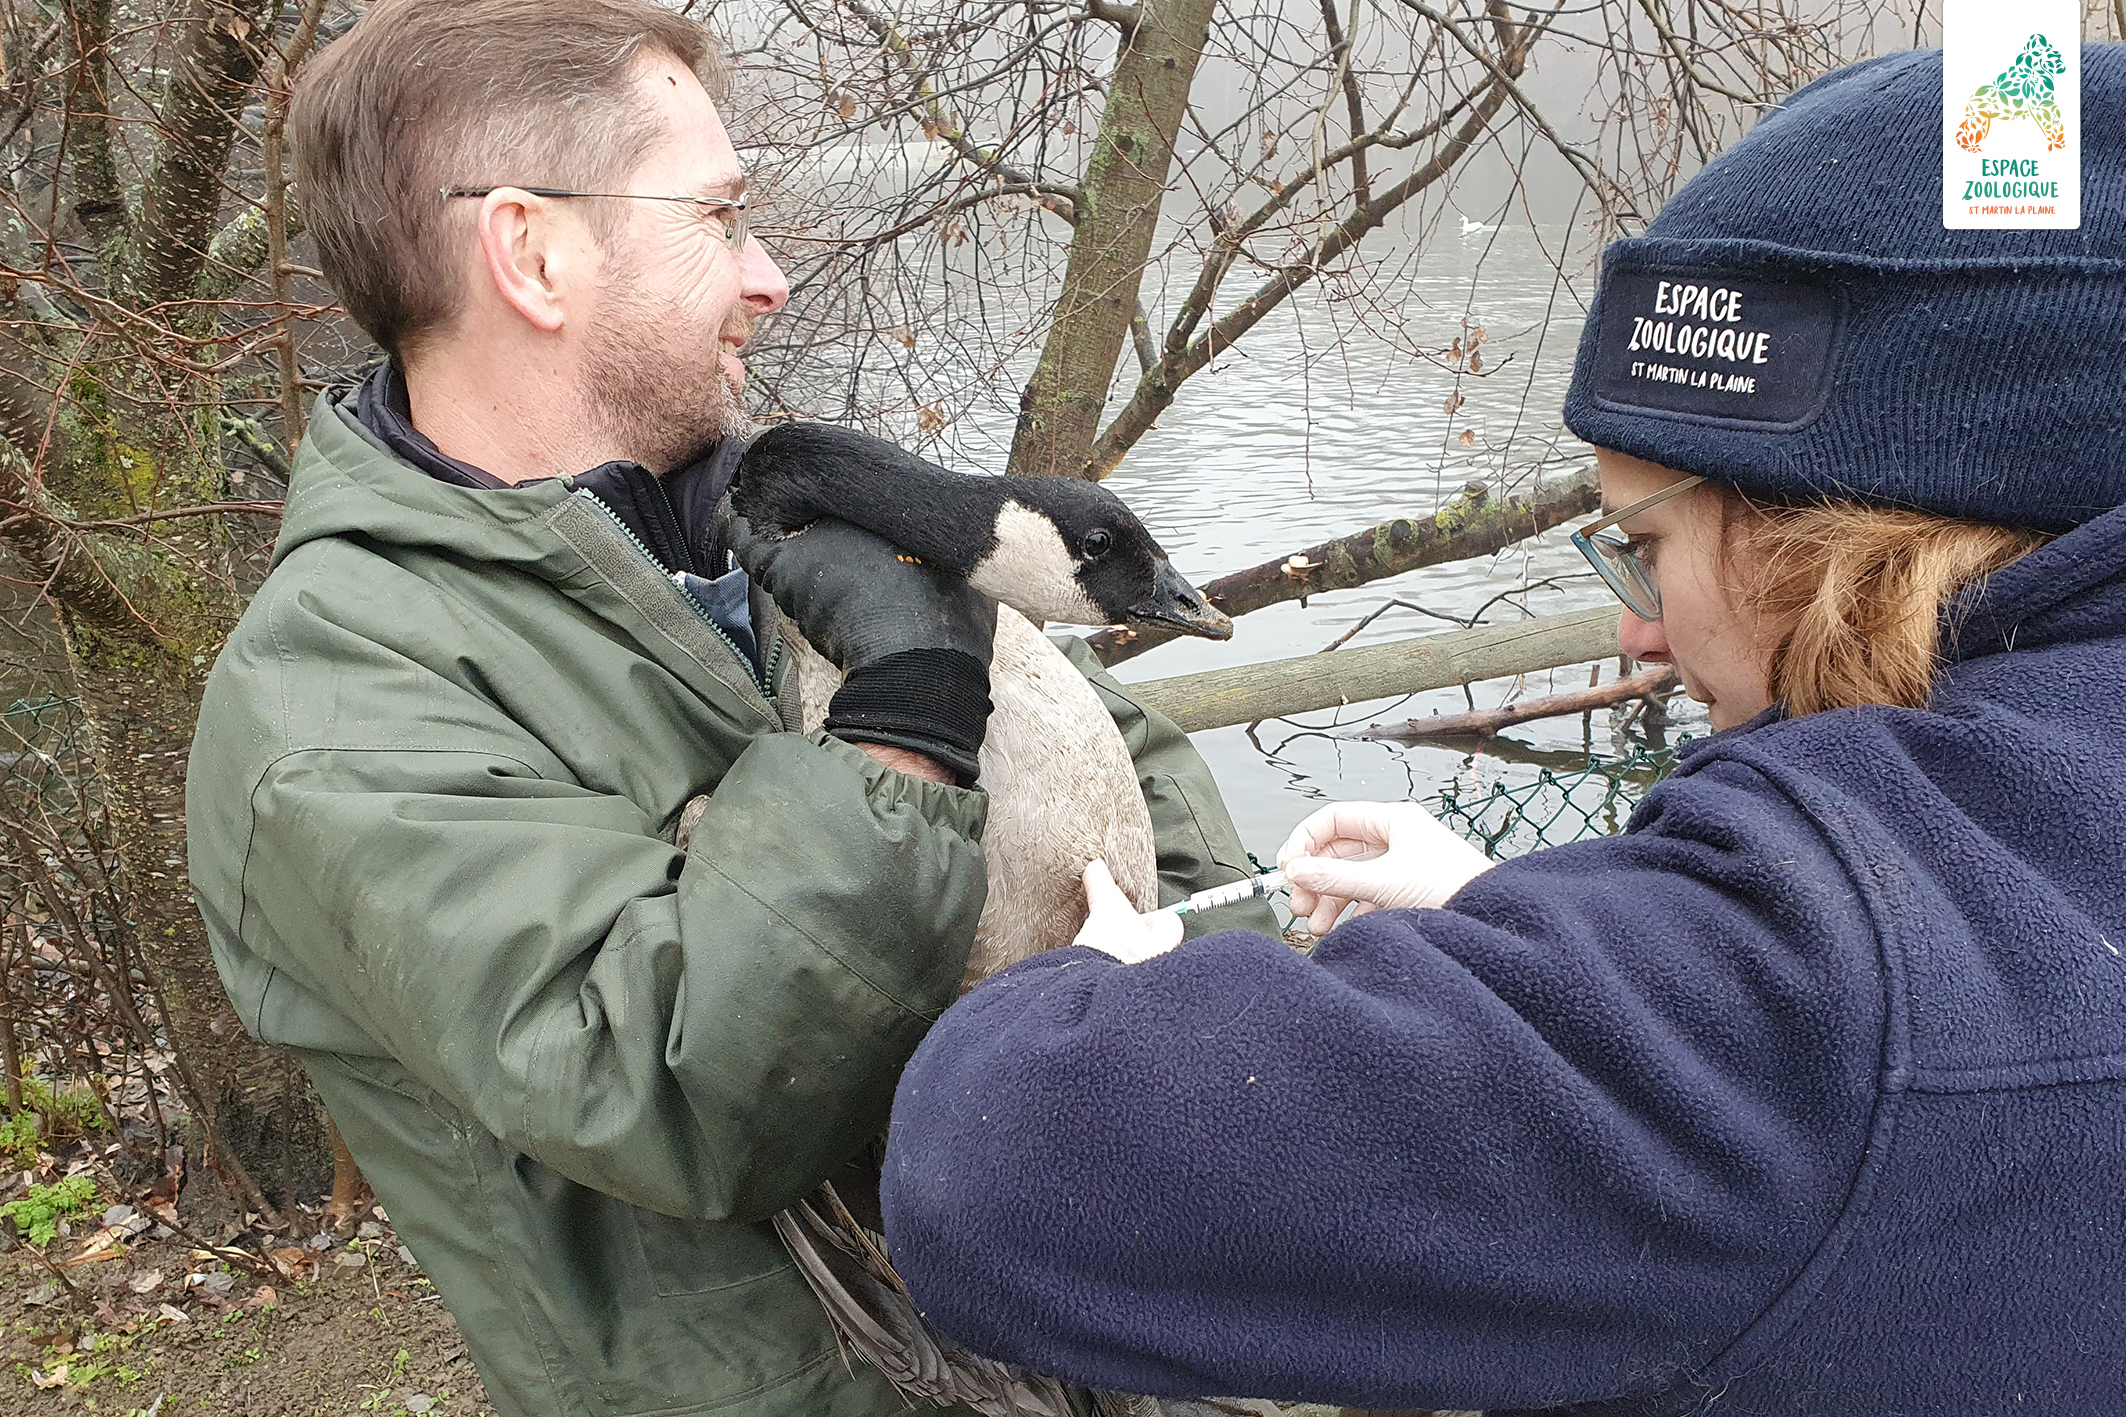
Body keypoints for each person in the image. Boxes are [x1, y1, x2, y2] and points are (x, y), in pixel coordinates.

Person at [878, 46, 2126, 1417]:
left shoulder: (1808, 1001)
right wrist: (1516, 916)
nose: (1637, 636)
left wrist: (1091, 986)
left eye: (1646, 549)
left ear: (1811, 544)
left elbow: (996, 1164)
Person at [182, 4, 1269, 1415]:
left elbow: (1127, 776)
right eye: (716, 216)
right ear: (530, 252)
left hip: (1116, 1347)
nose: (762, 277)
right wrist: (900, 727)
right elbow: (695, 1090)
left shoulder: (789, 513)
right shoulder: (327, 707)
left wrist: (1195, 1014)